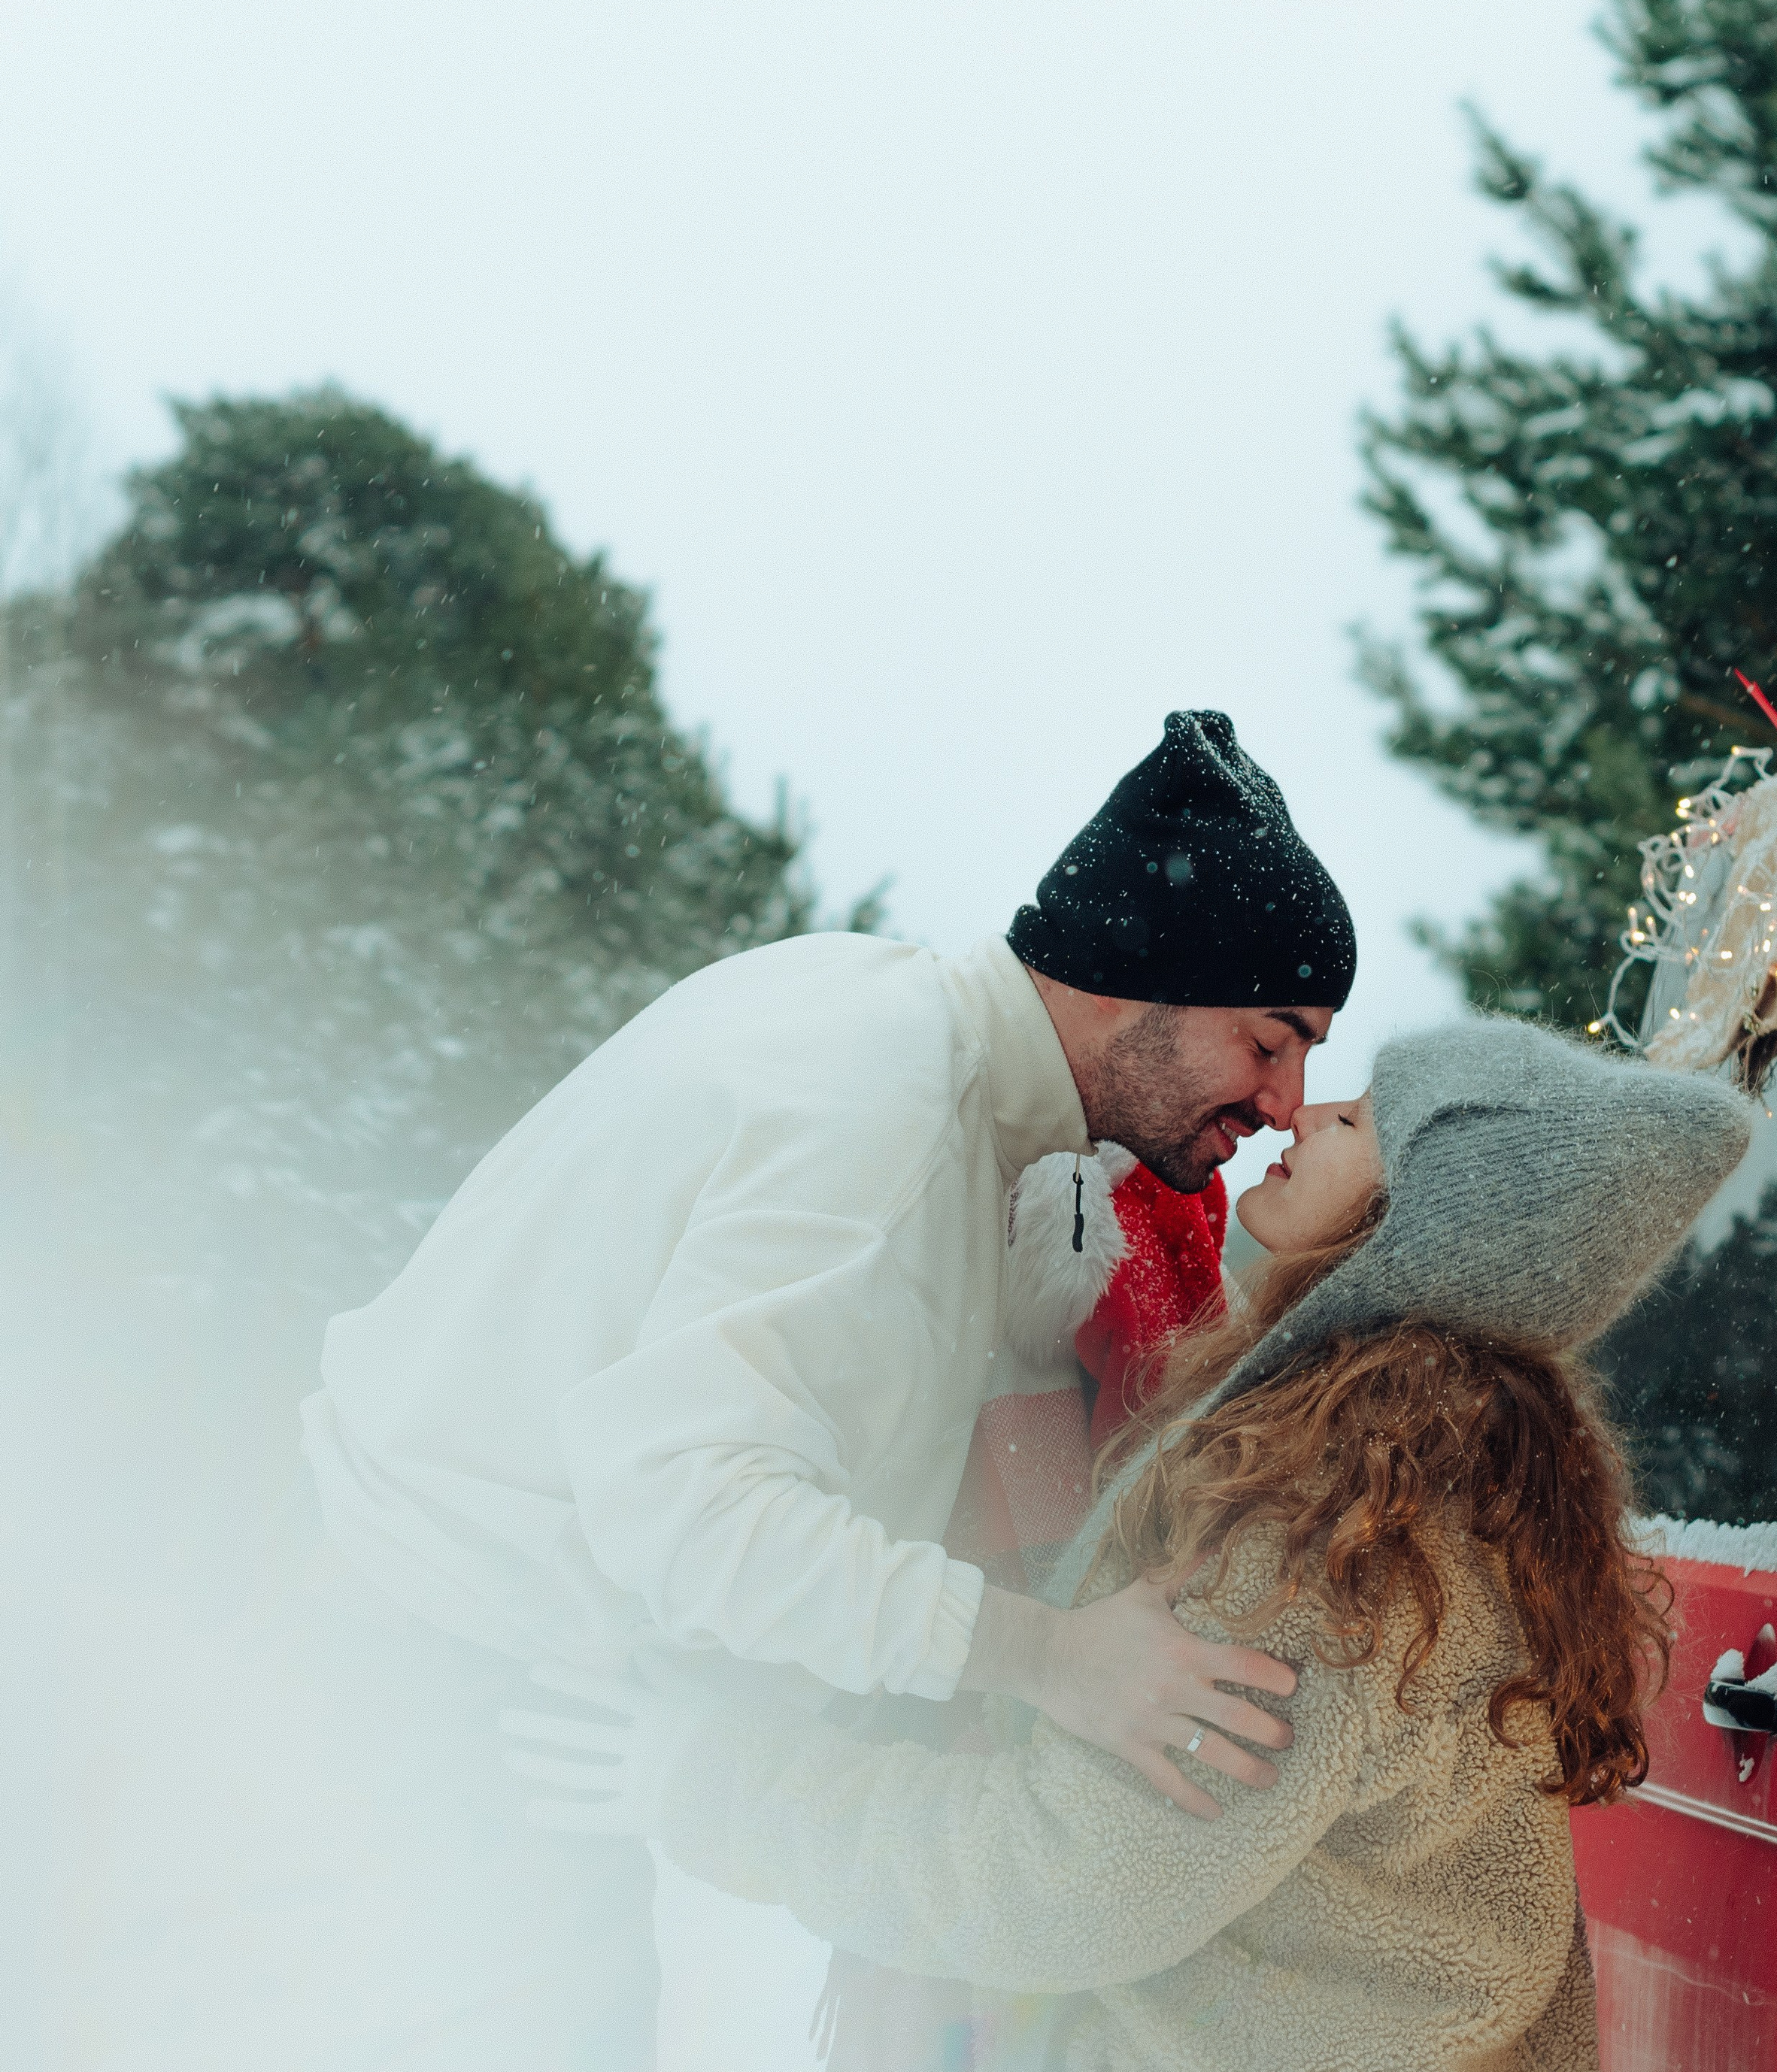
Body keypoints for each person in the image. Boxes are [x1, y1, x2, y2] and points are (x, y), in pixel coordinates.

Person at [548, 1015, 1753, 2072]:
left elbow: (1063, 1868)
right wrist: (1023, 1381)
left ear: (1428, 1222)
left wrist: (726, 1784)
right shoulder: (1429, 1481)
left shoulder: (1341, 1537)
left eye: (1359, 1117)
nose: (1303, 1115)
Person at [302, 707, 1354, 1796]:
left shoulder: (948, 1073)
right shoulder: (887, 1113)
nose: (1287, 1105)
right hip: (445, 1676)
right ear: (1128, 977)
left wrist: (1067, 1596)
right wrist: (1048, 1659)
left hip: (464, 1646)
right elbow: (689, 1505)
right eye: (1269, 1041)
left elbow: (988, 1385)